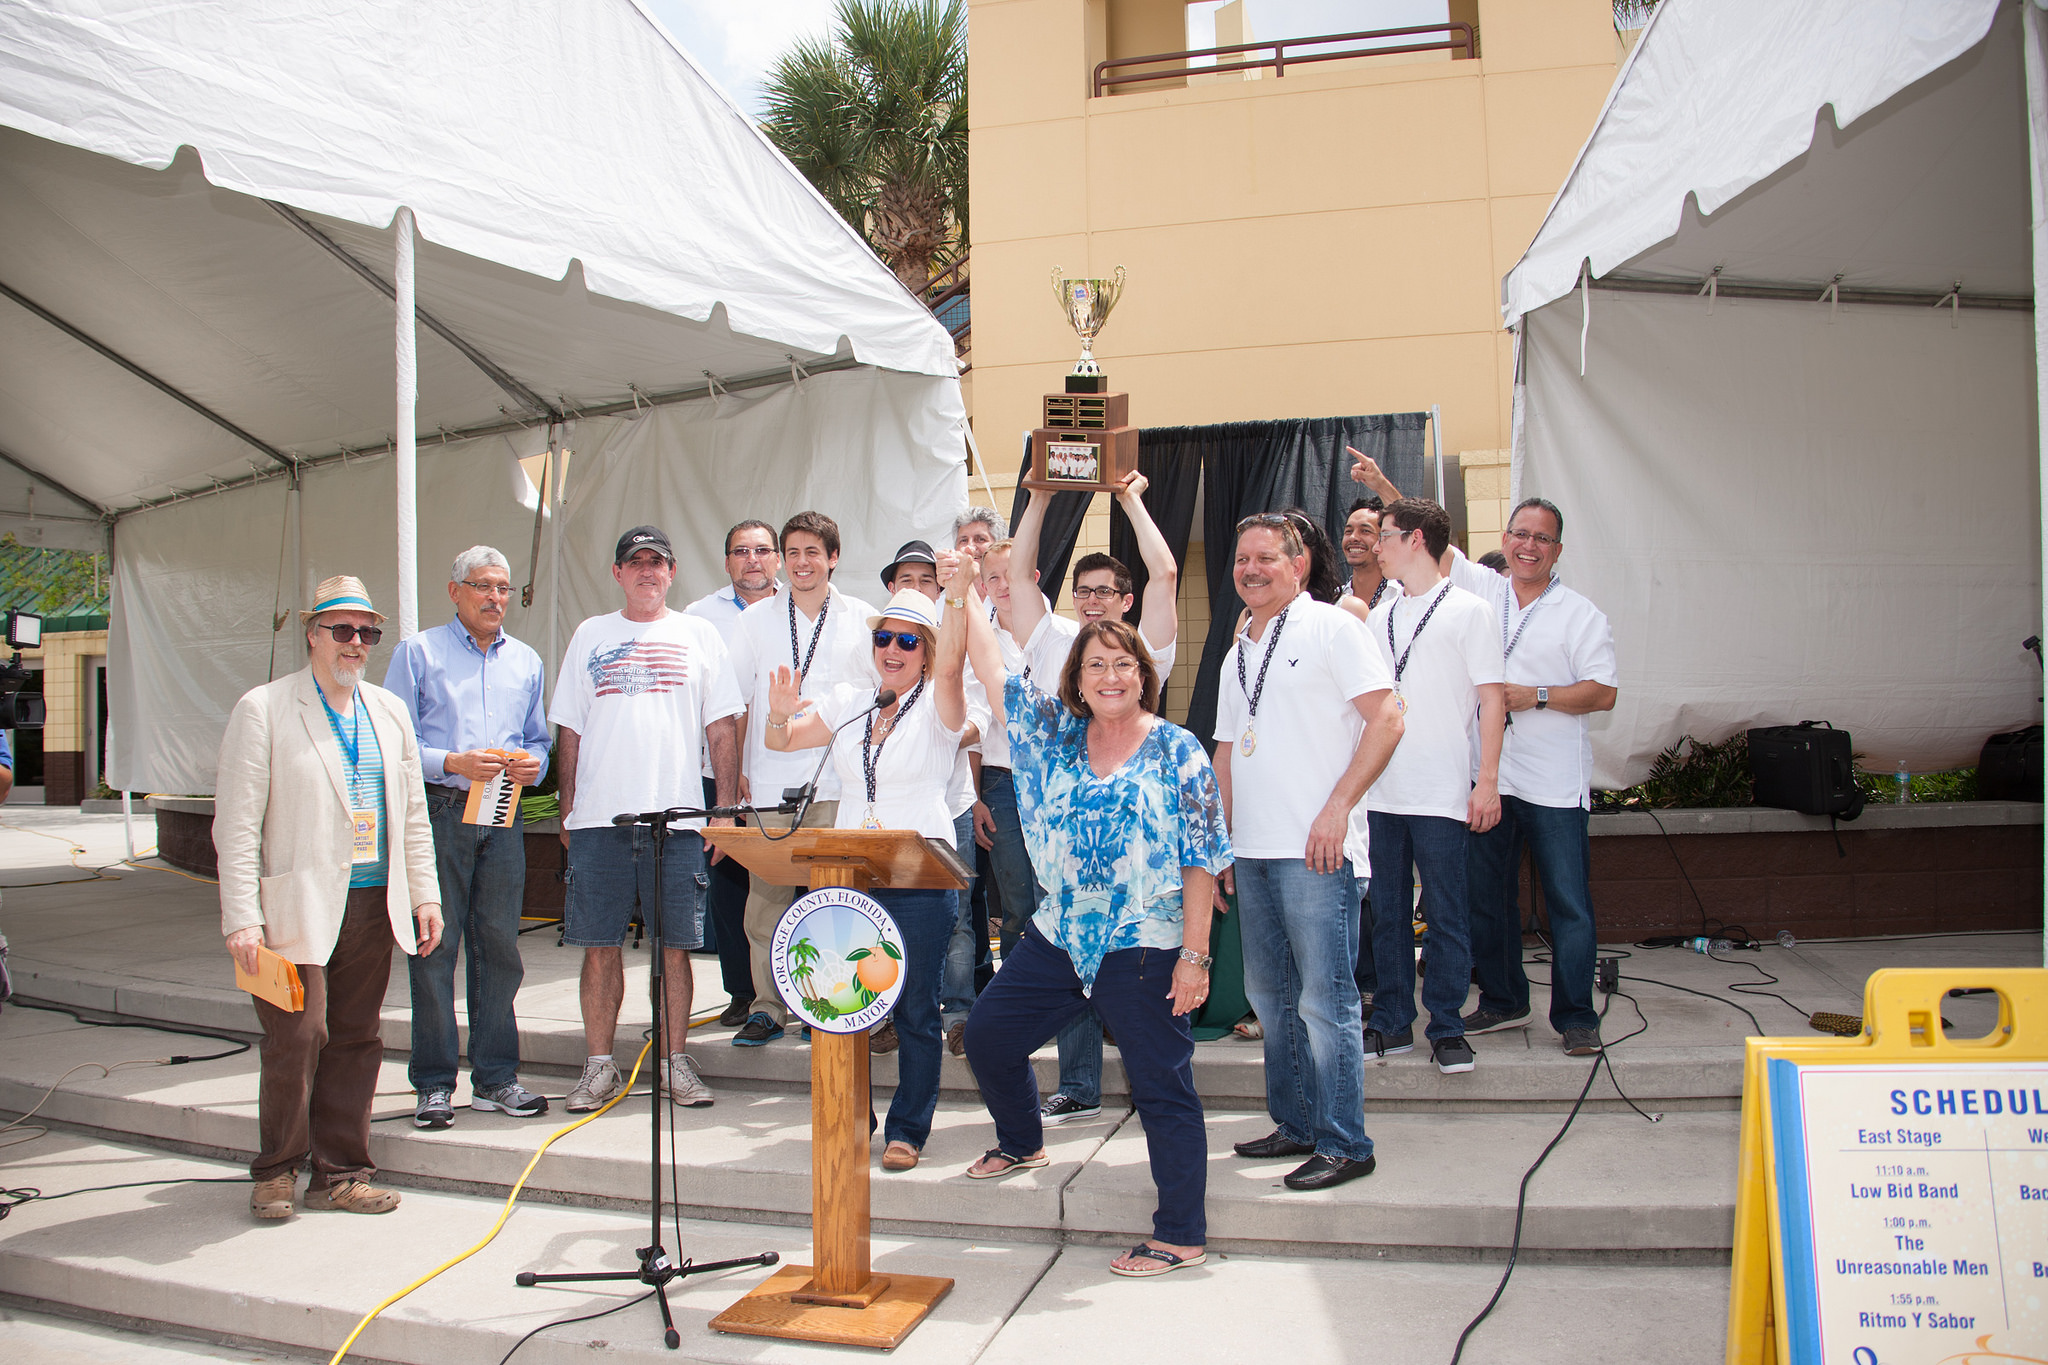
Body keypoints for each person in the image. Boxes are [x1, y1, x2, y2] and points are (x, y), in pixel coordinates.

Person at [959, 574, 1231, 1278]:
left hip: (1145, 938)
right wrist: (962, 595)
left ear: (1144, 673)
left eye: (1123, 663)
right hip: (1060, 933)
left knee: (1161, 1083)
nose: (1110, 675)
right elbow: (993, 668)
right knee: (988, 1035)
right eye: (1095, 664)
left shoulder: (1179, 750)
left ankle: (1180, 1233)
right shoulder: (1053, 735)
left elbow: (1202, 859)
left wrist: (1195, 956)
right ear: (1077, 678)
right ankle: (1023, 1139)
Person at [215, 575, 443, 1218]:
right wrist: (241, 917)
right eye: (342, 630)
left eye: (367, 632)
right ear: (312, 635)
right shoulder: (264, 707)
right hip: (295, 905)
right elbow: (235, 823)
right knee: (298, 1033)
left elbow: (413, 817)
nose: (356, 643)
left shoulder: (388, 710)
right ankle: (277, 1168)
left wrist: (424, 894)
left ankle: (340, 1171)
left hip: (373, 901)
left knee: (355, 1035)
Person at [763, 555, 972, 1172]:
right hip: (850, 870)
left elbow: (959, 670)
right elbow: (783, 740)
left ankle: (908, 1127)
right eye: (884, 637)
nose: (893, 649)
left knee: (912, 1006)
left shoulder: (940, 703)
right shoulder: (853, 700)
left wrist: (958, 595)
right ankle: (853, 1120)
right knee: (842, 1001)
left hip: (920, 874)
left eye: (908, 640)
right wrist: (780, 711)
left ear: (927, 652)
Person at [1214, 516, 1401, 1191]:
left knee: (1326, 1001)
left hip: (1318, 851)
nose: (1251, 568)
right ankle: (1295, 1123)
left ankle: (1346, 1141)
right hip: (1255, 852)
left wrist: (1338, 806)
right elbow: (1227, 754)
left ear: (1299, 563)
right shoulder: (1241, 647)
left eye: (1266, 556)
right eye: (1242, 559)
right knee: (1270, 995)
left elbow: (1389, 716)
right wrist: (1219, 844)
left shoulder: (1333, 626)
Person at [1009, 473, 1182, 1126]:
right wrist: (1041, 498)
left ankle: (1152, 1084)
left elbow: (1165, 574)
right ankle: (1079, 1082)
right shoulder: (1052, 640)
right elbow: (1021, 575)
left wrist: (1132, 496)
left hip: (1134, 831)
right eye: (1081, 591)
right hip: (1061, 836)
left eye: (1104, 591)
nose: (1090, 601)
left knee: (1138, 957)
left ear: (1124, 598)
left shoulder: (1142, 649)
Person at [550, 526, 742, 1111]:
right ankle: (598, 1067)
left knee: (674, 949)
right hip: (600, 822)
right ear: (617, 573)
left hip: (678, 822)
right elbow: (570, 728)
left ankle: (673, 1063)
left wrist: (726, 812)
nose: (647, 572)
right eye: (635, 562)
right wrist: (568, 807)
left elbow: (723, 728)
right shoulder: (589, 634)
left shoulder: (700, 634)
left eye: (657, 562)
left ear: (673, 571)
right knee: (597, 946)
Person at [383, 546, 551, 1130]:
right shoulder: (418, 652)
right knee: (435, 943)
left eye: (503, 587)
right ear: (454, 591)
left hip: (503, 814)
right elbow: (393, 742)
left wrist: (534, 763)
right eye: (482, 586)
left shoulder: (527, 661)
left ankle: (496, 1078)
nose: (495, 598)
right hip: (439, 811)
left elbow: (539, 740)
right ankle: (432, 1083)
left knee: (500, 946)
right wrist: (451, 759)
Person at [1443, 500, 1618, 1056]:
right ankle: (1502, 999)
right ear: (1507, 538)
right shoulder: (1485, 592)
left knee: (1568, 902)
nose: (1529, 546)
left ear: (1557, 550)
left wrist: (1536, 696)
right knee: (1486, 898)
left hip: (1554, 784)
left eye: (1542, 539)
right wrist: (1380, 484)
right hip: (1488, 778)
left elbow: (1603, 691)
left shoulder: (1581, 614)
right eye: (1521, 534)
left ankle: (1575, 1016)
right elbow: (1431, 538)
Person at [1361, 498, 1505, 1074]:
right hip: (1382, 789)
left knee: (1446, 913)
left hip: (1444, 787)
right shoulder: (1380, 614)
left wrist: (1486, 780)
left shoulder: (1471, 610)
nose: (1377, 546)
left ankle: (1446, 1026)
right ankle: (1393, 1022)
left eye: (1386, 536)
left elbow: (1492, 699)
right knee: (1389, 912)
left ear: (1415, 539)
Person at [727, 512, 878, 1046]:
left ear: (833, 558)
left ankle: (831, 1006)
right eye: (792, 553)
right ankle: (768, 1007)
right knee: (764, 902)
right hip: (770, 781)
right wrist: (739, 772)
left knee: (836, 903)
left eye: (813, 552)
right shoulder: (755, 620)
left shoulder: (864, 618)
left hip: (840, 786)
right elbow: (739, 701)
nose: (801, 562)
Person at [879, 539, 990, 1059]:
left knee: (958, 919)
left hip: (952, 806)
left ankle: (959, 1011)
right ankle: (884, 1011)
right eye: (907, 580)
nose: (918, 587)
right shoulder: (888, 656)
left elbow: (977, 717)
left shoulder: (957, 640)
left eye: (929, 579)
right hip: (889, 825)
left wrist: (945, 730)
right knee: (883, 926)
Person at [685, 519, 783, 1026]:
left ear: (778, 559)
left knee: (785, 885)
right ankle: (743, 993)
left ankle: (791, 991)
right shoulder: (698, 617)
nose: (753, 559)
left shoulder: (801, 609)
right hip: (717, 773)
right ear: (726, 561)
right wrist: (728, 768)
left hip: (781, 776)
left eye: (763, 550)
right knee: (728, 887)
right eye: (741, 551)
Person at [973, 537, 1071, 962]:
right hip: (1002, 781)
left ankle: (1066, 1000)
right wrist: (975, 795)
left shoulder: (1069, 635)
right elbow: (974, 725)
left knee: (1059, 894)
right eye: (992, 577)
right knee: (1017, 902)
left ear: (1032, 576)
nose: (1002, 584)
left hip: (1060, 779)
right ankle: (1018, 1007)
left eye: (1010, 574)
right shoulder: (980, 640)